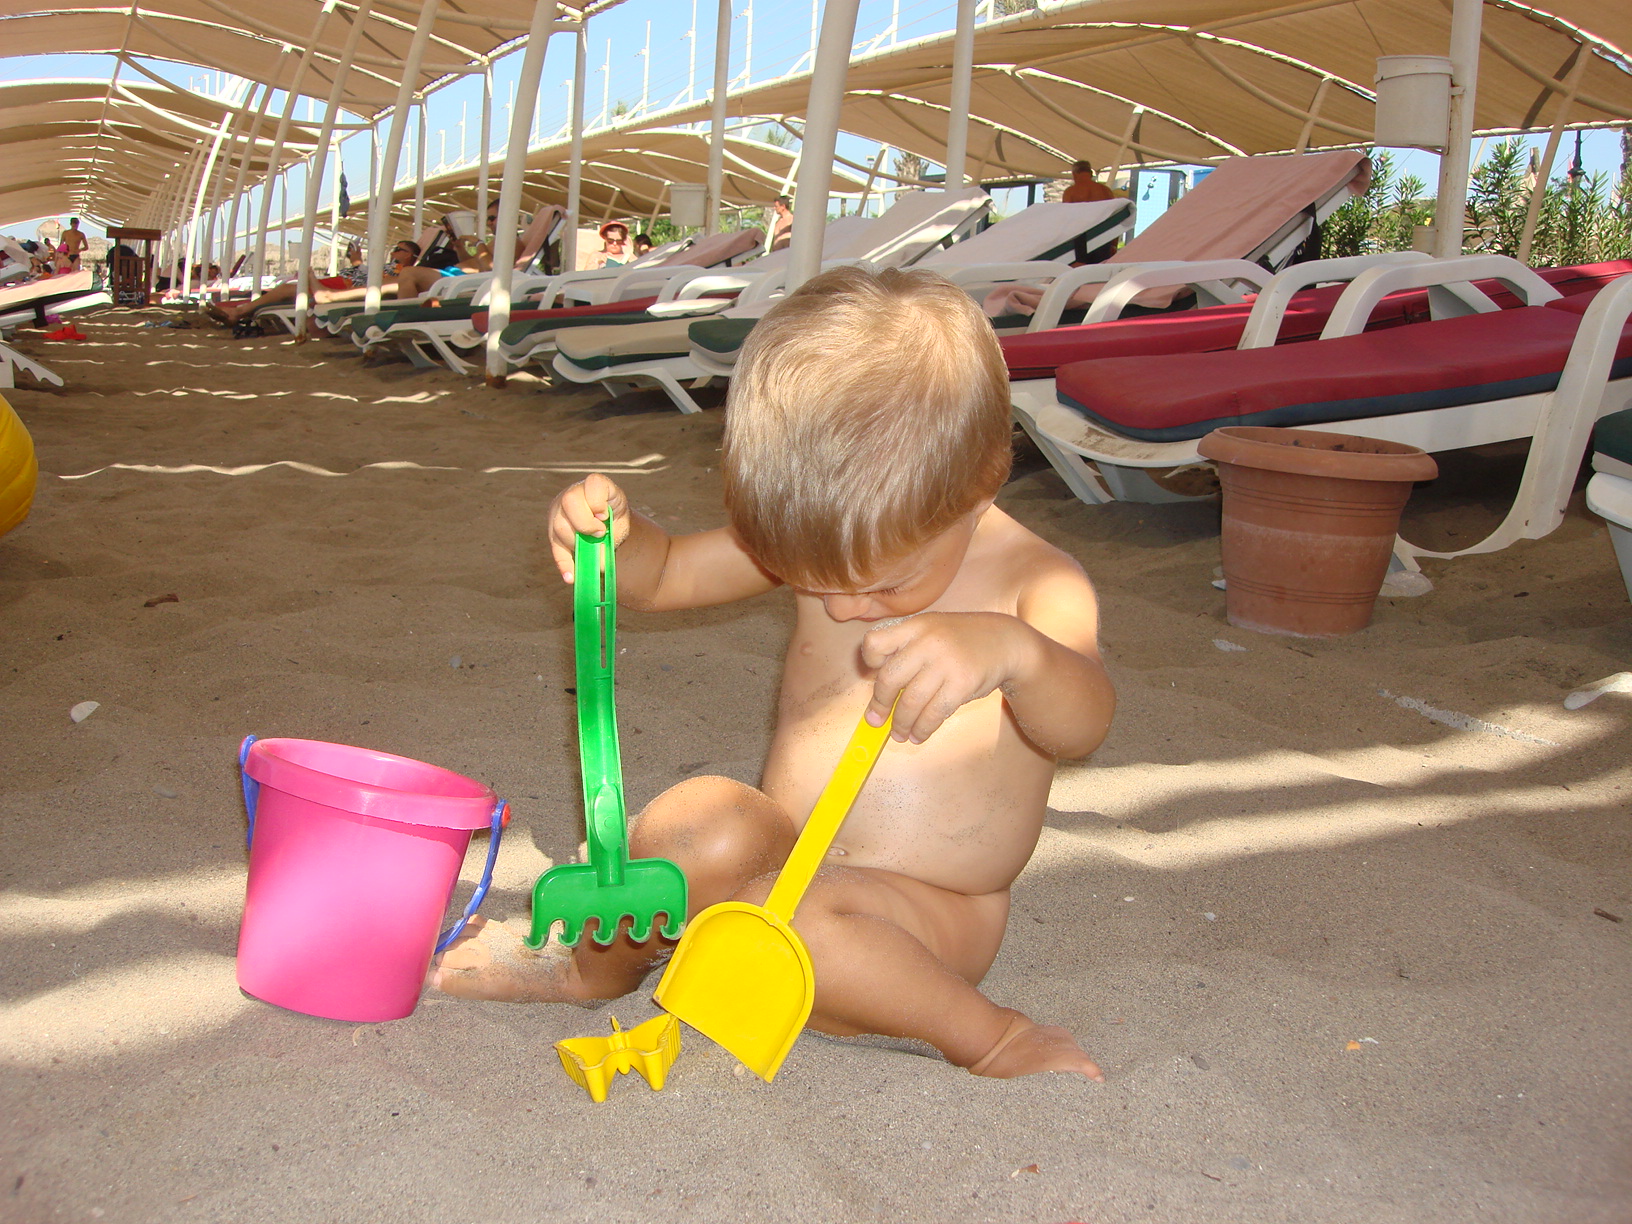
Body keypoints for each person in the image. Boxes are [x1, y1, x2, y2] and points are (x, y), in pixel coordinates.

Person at [434, 266, 1117, 1081]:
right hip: (782, 859)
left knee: (797, 923)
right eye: (813, 582)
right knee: (697, 823)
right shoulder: (829, 538)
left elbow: (1083, 721)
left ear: (980, 484)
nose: (846, 607)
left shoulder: (1038, 583)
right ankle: (591, 971)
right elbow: (667, 575)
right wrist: (615, 544)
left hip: (931, 914)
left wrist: (1015, 654)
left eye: (884, 586)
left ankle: (992, 1037)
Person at [205, 240, 420, 326]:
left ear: (410, 255)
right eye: (394, 248)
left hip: (344, 288)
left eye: (399, 249)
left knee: (289, 290)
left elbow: (374, 280)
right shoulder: (391, 267)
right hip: (341, 282)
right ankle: (240, 312)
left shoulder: (404, 272)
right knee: (288, 290)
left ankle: (238, 312)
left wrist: (356, 261)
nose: (394, 252)